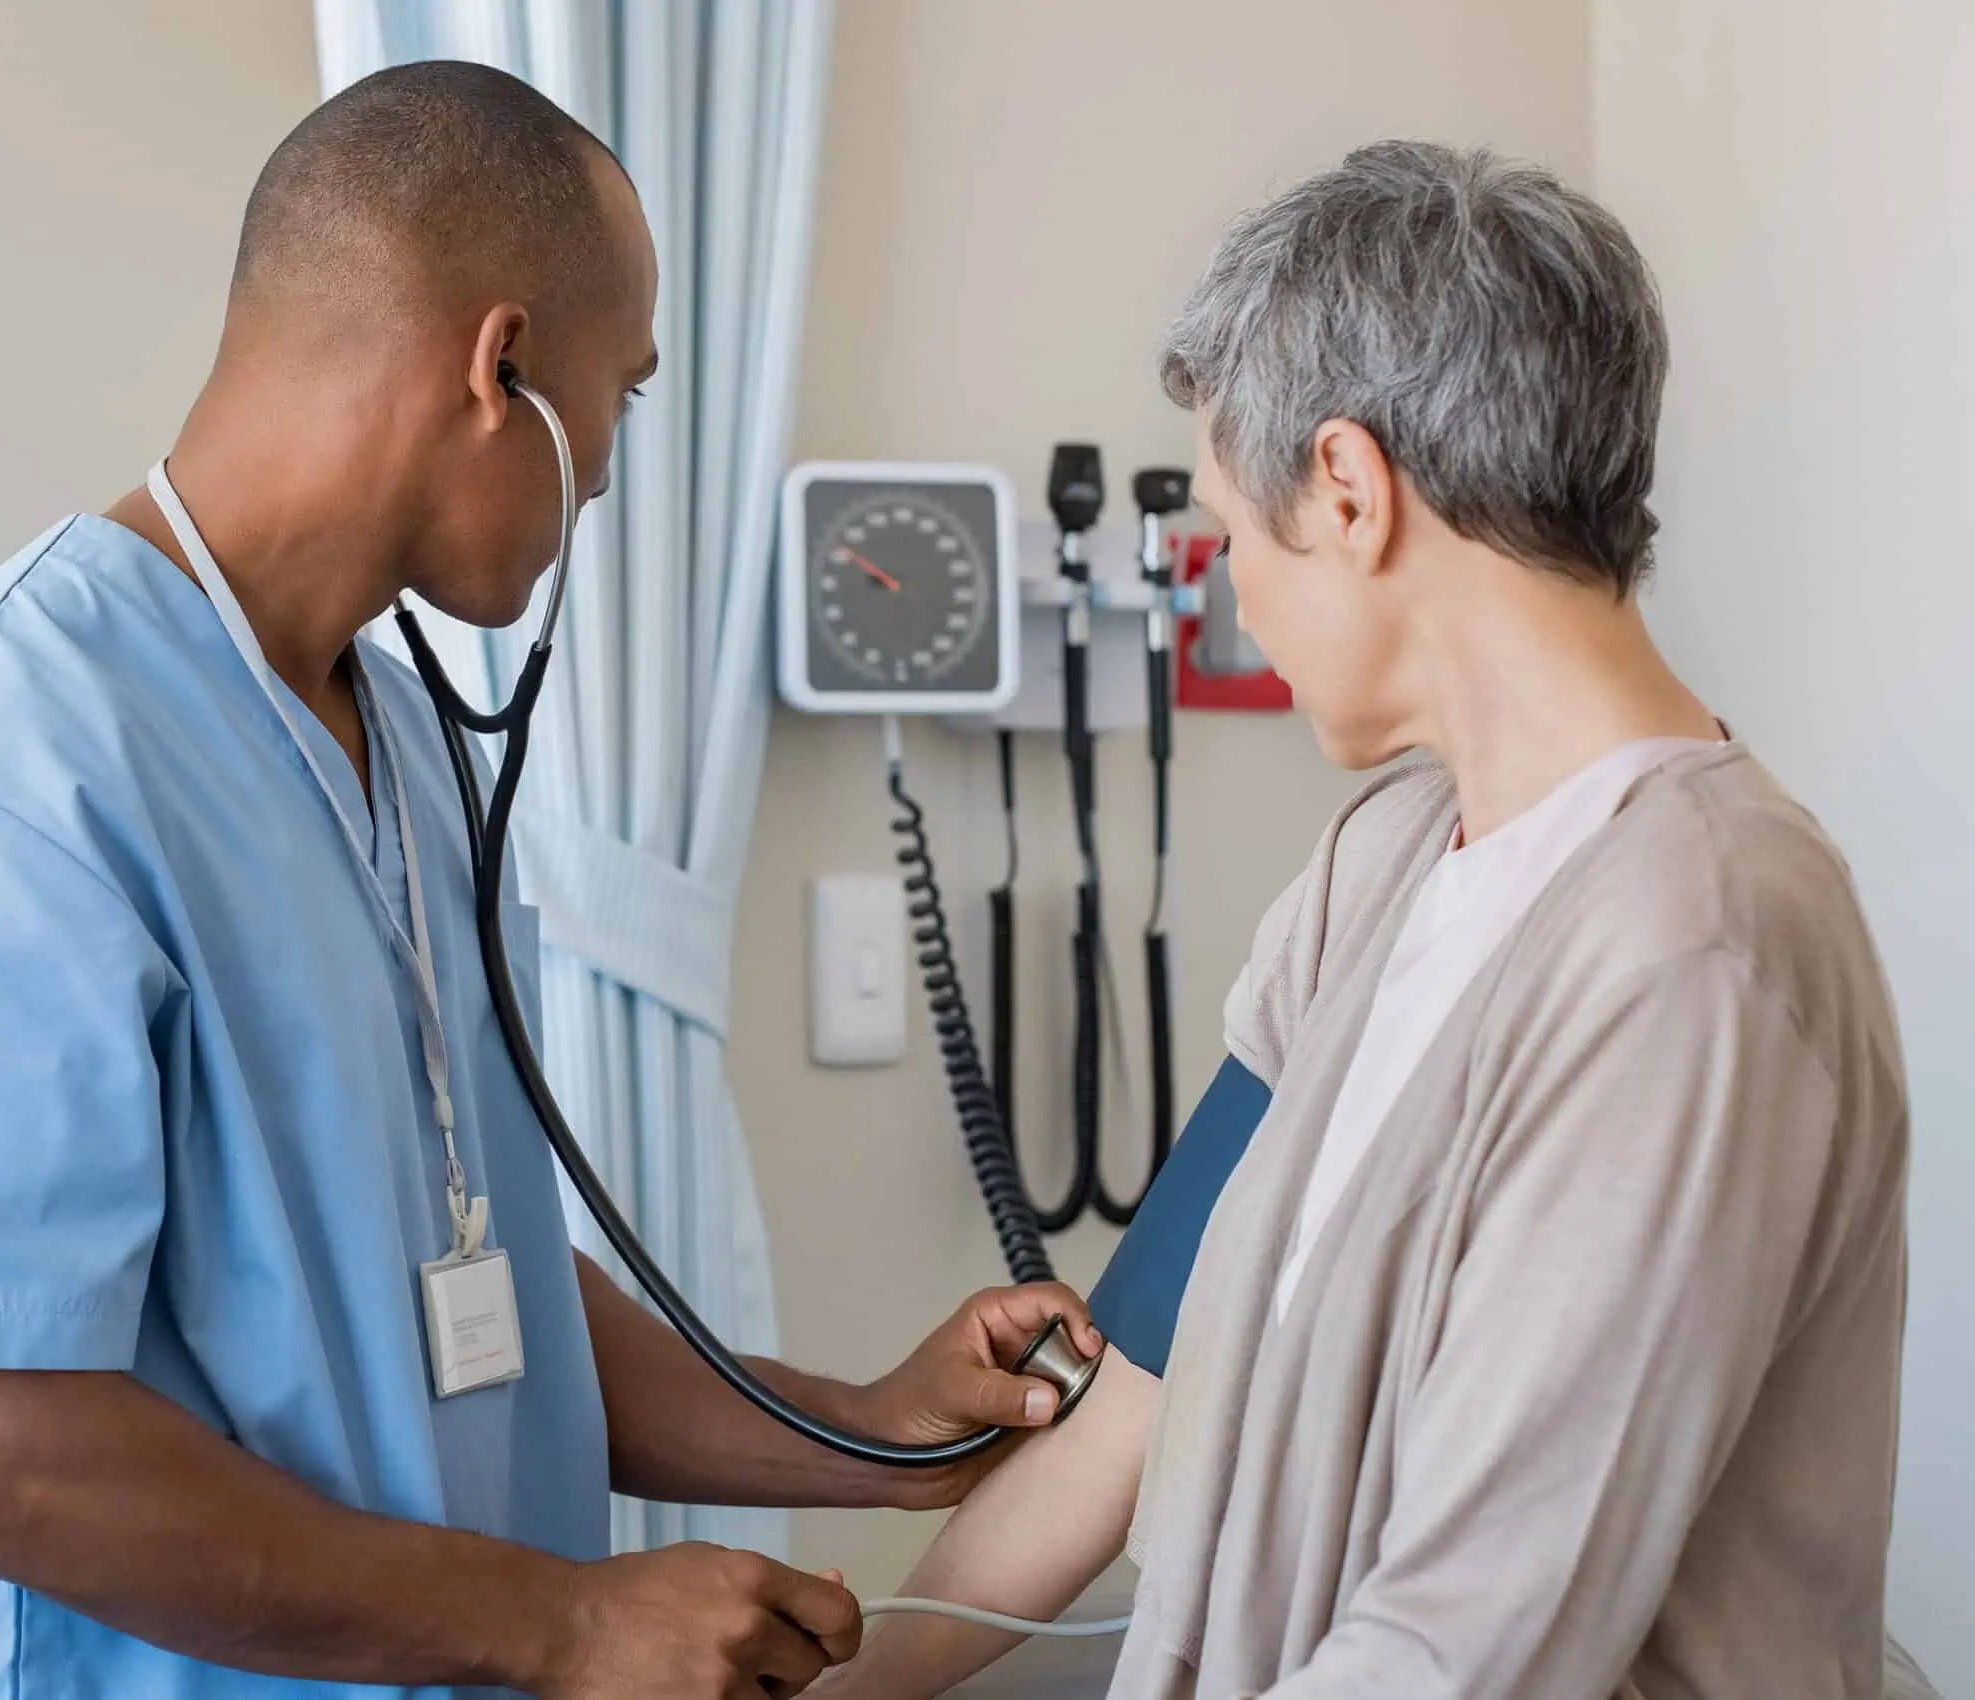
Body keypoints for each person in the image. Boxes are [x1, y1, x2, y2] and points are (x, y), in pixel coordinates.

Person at [0, 61, 1101, 1700]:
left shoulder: (399, 735)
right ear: (504, 368)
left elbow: (470, 1287)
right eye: (621, 393)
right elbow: (2, 1456)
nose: (608, 473)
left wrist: (869, 1430)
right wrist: (571, 1623)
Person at [816, 141, 1908, 1700]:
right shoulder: (1381, 867)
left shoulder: (1696, 949)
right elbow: (1145, 1384)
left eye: (1231, 532)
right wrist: (858, 1685)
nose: (1235, 594)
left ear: (1346, 486)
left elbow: (1469, 1647)